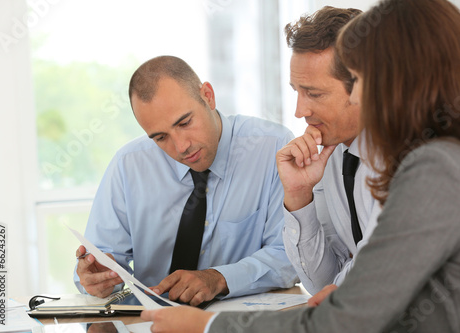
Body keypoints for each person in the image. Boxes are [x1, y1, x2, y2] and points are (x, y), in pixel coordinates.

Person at [141, 0, 460, 331]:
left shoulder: (436, 168)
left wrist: (208, 327)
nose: (357, 97)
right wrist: (299, 198)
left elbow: (345, 321)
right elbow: (345, 295)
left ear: (402, 81)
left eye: (361, 81)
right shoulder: (451, 157)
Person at [74, 55, 298, 306]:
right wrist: (95, 277)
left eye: (185, 122)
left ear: (208, 96)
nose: (181, 147)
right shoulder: (129, 165)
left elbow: (290, 256)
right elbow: (102, 257)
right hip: (151, 321)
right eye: (160, 137)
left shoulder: (272, 148)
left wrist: (219, 278)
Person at [279, 6, 381, 296]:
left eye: (314, 93)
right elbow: (322, 284)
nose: (300, 111)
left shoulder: (410, 155)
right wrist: (299, 197)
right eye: (296, 91)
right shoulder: (330, 155)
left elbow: (373, 275)